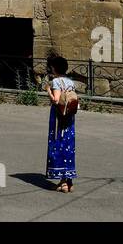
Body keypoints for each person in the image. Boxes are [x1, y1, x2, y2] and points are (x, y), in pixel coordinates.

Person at [44, 56, 78, 193]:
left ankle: (62, 183)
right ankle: (69, 182)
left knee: (58, 145)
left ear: (54, 68)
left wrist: (48, 91)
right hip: (70, 118)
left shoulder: (56, 81)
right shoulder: (70, 82)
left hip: (59, 118)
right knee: (69, 146)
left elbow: (56, 100)